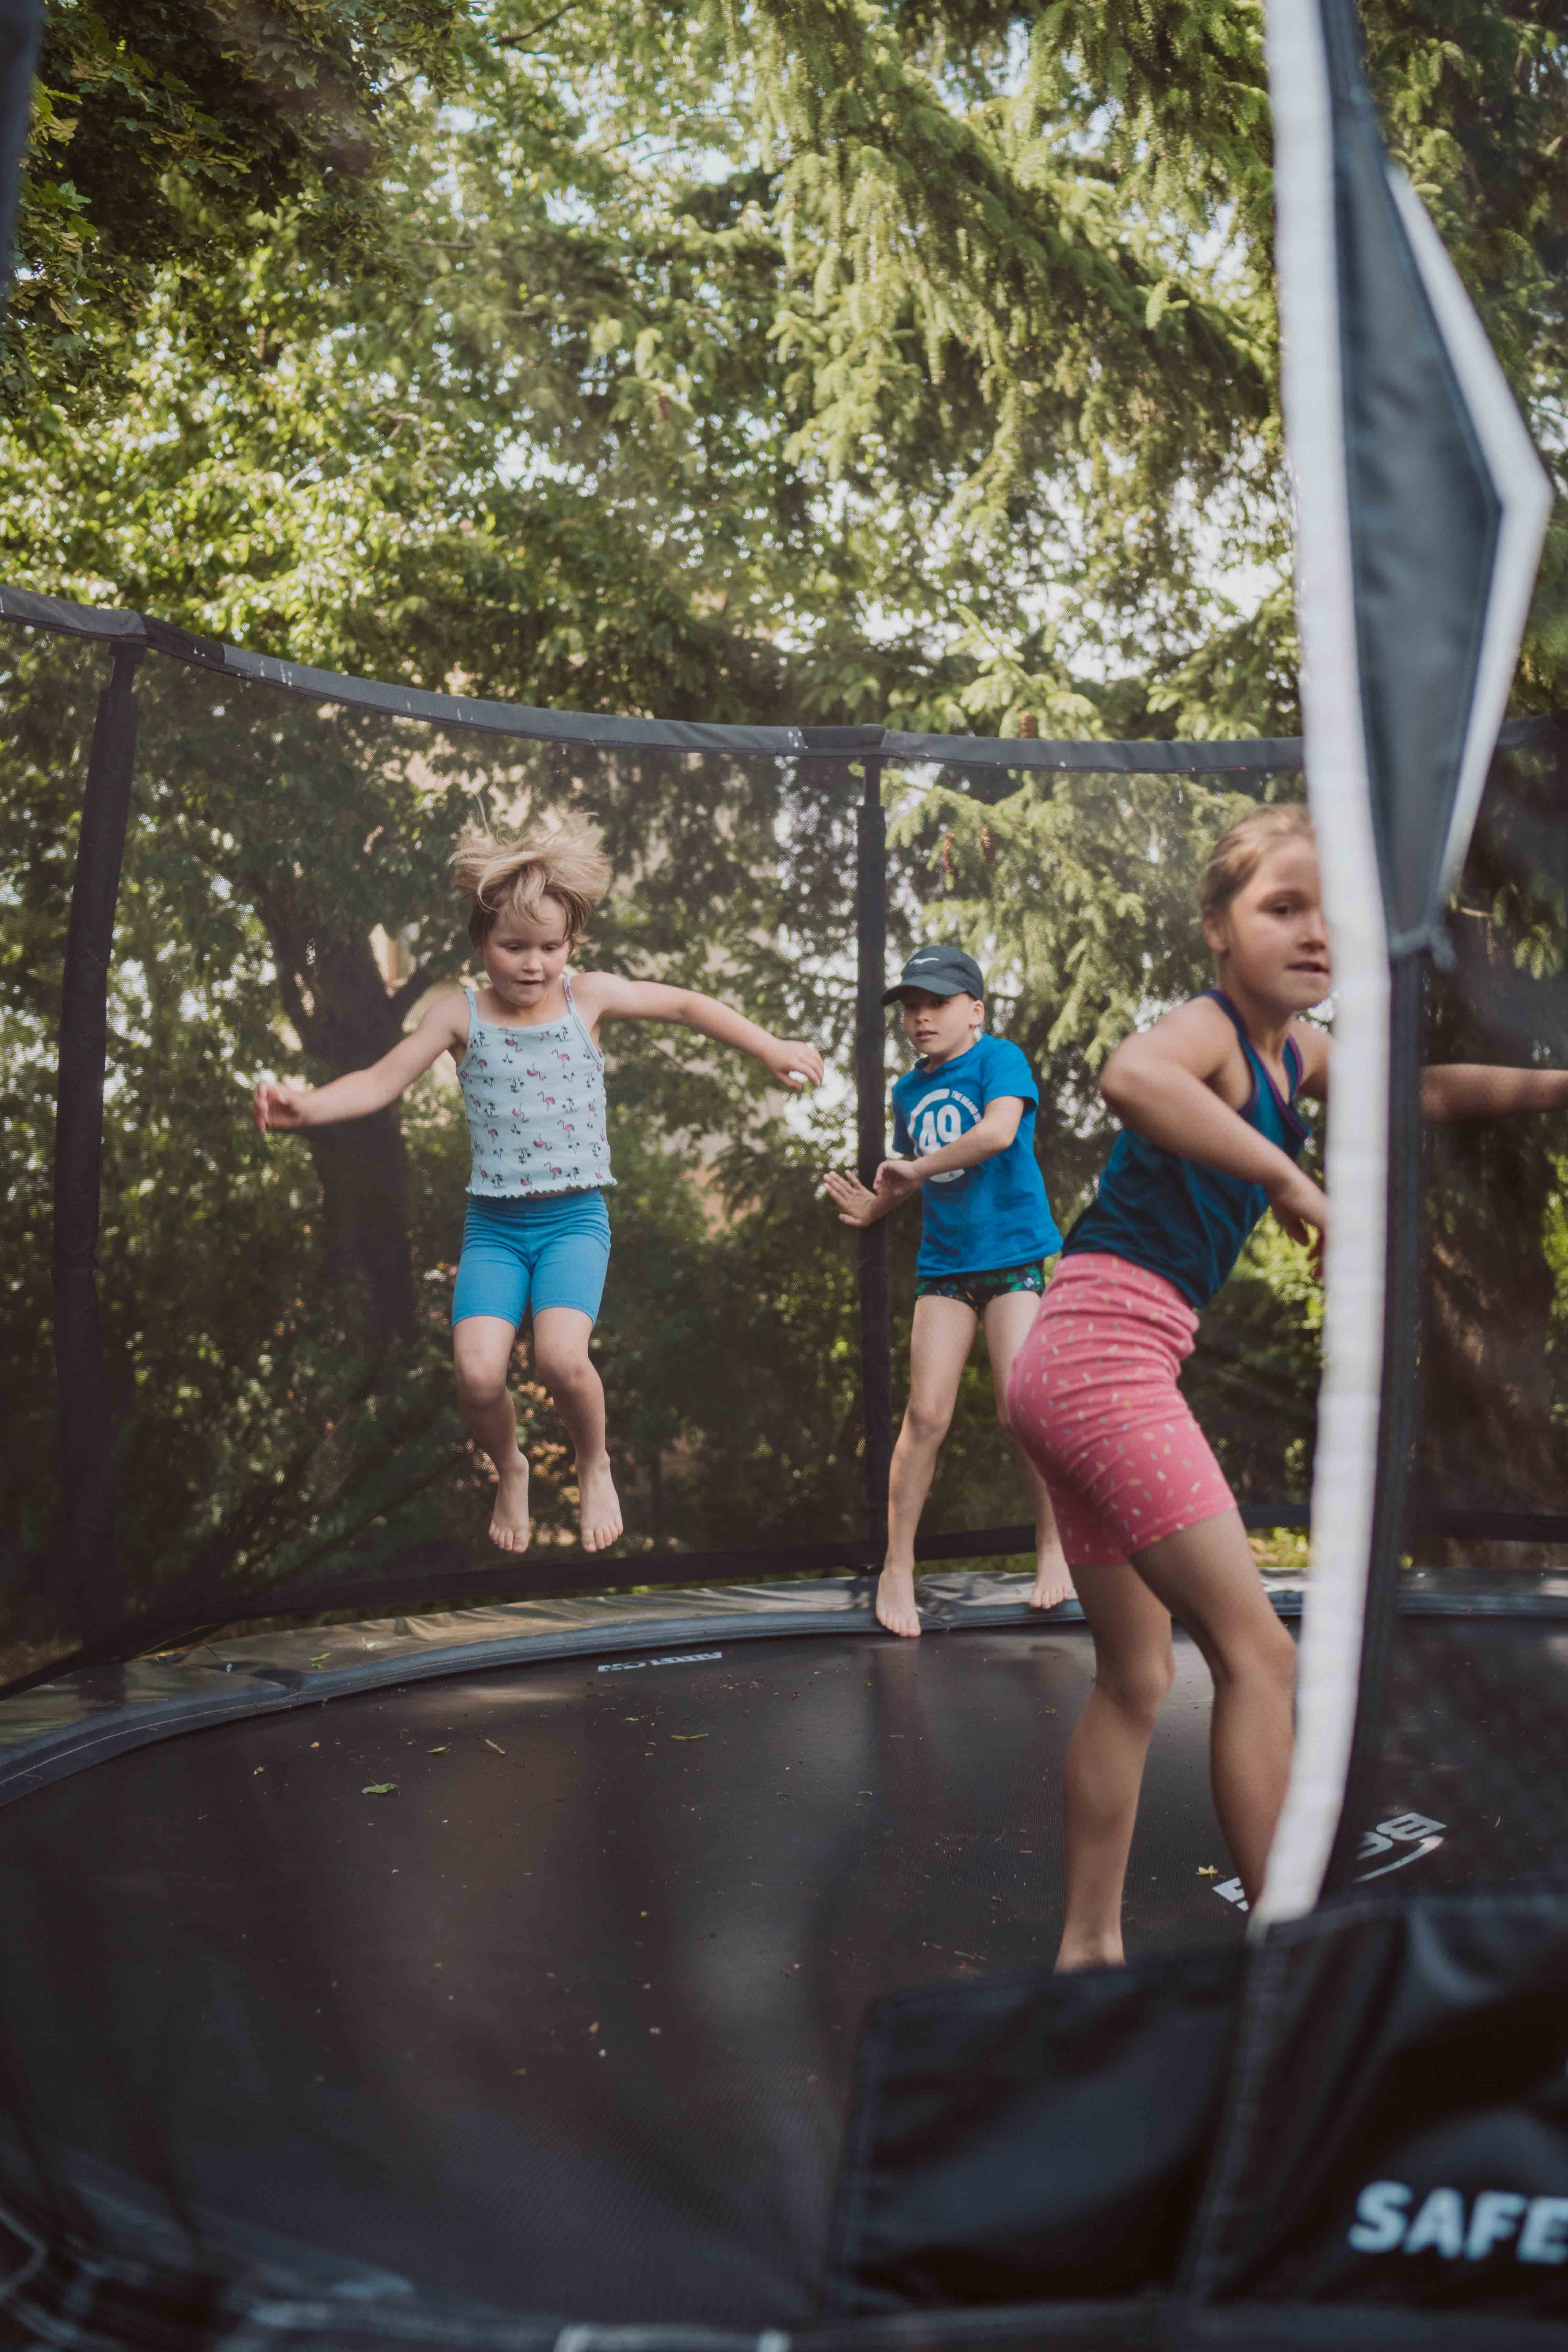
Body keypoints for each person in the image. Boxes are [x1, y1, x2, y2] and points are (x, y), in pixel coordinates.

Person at [1006, 800, 1568, 1971]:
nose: (1315, 932)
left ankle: (1086, 1950)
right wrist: (1290, 1181)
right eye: (1281, 907)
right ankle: (1296, 1966)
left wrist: (1556, 1083)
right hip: (1100, 1362)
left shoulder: (1295, 1053)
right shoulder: (1209, 1033)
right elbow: (1129, 1075)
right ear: (1219, 929)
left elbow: (1422, 1090)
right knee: (1260, 1655)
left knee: (1136, 1676)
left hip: (1069, 1364)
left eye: (1332, 914)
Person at [254, 814, 823, 1557]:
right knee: (476, 1375)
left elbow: (685, 1005)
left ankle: (595, 1462)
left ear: (572, 945)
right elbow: (380, 1080)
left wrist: (769, 1046)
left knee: (560, 1359)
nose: (532, 965)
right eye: (513, 947)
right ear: (480, 944)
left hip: (573, 1222)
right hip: (494, 1228)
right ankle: (512, 1466)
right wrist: (306, 1107)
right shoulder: (457, 1015)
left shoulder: (587, 998)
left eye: (550, 948)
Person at [824, 943, 1073, 1639]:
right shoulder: (908, 1091)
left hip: (1013, 1259)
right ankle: (897, 1565)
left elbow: (994, 1133)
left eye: (936, 1004)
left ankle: (1053, 1543)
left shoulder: (1000, 1059)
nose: (921, 1018)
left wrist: (914, 1169)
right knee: (926, 1414)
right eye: (911, 1007)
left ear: (975, 1011)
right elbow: (917, 1173)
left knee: (1019, 1412)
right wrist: (877, 1204)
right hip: (945, 1267)